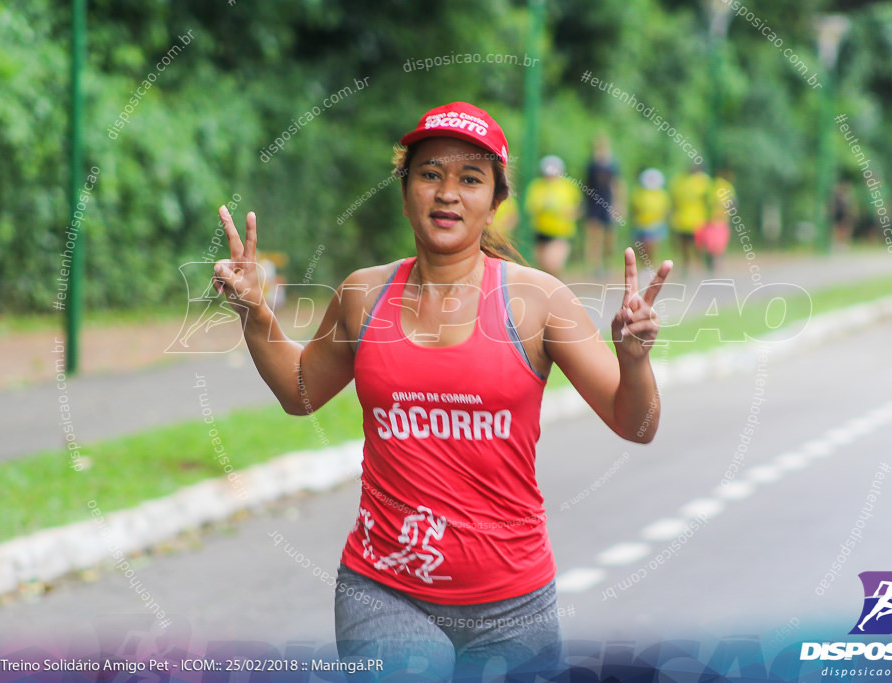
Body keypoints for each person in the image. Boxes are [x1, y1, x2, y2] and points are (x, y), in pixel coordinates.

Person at [211, 101, 672, 680]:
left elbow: (638, 423)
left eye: (470, 180)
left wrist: (634, 363)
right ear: (405, 192)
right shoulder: (363, 295)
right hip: (383, 591)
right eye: (430, 175)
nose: (448, 193)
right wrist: (255, 311)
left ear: (495, 202)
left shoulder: (539, 302)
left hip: (515, 605)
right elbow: (300, 390)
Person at [524, 155, 582, 278]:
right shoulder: (537, 186)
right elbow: (531, 206)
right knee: (543, 269)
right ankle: (553, 289)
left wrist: (570, 213)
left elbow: (579, 207)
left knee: (552, 263)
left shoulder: (568, 187)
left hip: (561, 232)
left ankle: (557, 289)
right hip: (541, 232)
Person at [584, 134, 624, 275]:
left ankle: (609, 263)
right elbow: (586, 185)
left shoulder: (612, 164)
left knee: (609, 236)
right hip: (594, 204)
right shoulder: (592, 165)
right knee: (594, 235)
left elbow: (617, 184)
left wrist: (618, 203)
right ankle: (596, 265)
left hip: (608, 203)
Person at [669, 163, 712, 274]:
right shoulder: (679, 181)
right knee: (685, 244)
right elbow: (674, 199)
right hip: (682, 219)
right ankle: (686, 265)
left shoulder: (703, 181)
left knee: (698, 245)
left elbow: (708, 198)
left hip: (698, 219)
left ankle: (699, 265)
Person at [630, 168, 670, 269]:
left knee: (651, 249)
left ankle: (651, 268)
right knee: (640, 251)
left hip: (655, 225)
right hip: (641, 225)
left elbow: (666, 210)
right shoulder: (638, 193)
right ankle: (644, 268)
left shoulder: (661, 194)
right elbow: (634, 209)